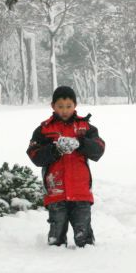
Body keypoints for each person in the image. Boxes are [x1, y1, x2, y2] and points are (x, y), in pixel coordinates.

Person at [26, 86, 106, 248]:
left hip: (81, 191)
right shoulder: (44, 130)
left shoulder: (85, 128)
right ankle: (56, 261)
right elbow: (35, 156)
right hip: (57, 192)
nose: (64, 110)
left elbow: (99, 149)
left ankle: (88, 259)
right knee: (56, 236)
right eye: (60, 106)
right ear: (53, 106)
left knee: (84, 236)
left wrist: (81, 143)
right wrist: (55, 149)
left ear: (75, 105)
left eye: (68, 106)